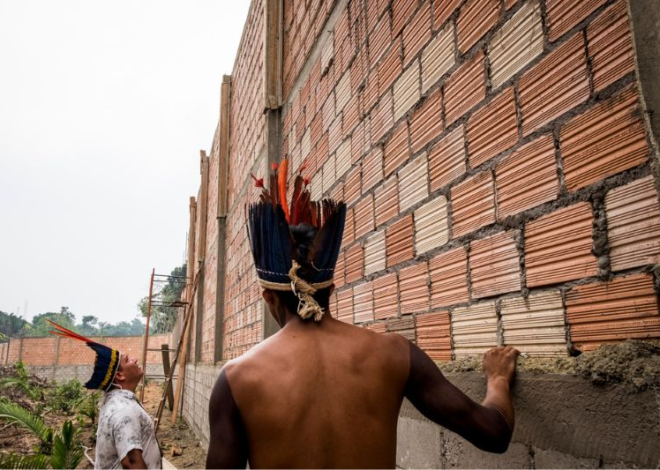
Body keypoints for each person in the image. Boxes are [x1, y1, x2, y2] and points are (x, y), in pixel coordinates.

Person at [206, 160, 519, 469]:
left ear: (268, 296)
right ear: (331, 287)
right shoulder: (394, 354)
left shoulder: (237, 379)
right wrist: (498, 379)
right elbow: (494, 433)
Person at [48, 321, 162, 469]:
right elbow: (131, 462)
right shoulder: (123, 410)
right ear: (120, 375)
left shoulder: (118, 403)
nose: (135, 360)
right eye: (128, 360)